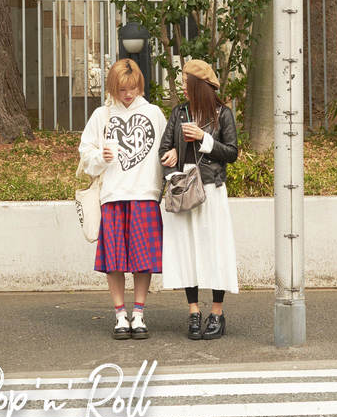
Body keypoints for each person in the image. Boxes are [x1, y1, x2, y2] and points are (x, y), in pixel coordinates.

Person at [78, 58, 167, 340]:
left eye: (133, 88)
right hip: (113, 196)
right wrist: (100, 157)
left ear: (140, 85)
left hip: (145, 194)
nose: (128, 94)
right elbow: (85, 155)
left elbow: (167, 149)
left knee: (143, 261)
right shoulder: (101, 116)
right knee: (114, 261)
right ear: (112, 88)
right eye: (122, 89)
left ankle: (138, 314)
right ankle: (120, 315)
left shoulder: (154, 113)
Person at [159, 58, 239, 340]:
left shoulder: (222, 114)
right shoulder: (179, 112)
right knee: (187, 250)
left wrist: (204, 138)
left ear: (198, 85)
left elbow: (232, 152)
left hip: (211, 189)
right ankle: (193, 311)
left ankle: (217, 313)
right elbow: (164, 149)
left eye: (186, 82)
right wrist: (171, 162)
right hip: (184, 189)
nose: (182, 86)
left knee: (215, 250)